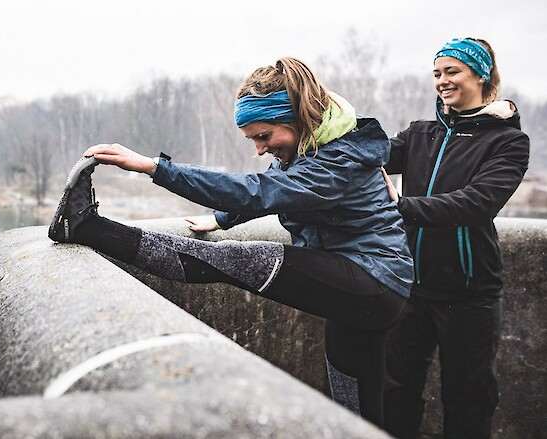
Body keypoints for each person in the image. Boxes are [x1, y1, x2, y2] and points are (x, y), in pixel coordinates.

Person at [49, 56, 413, 429]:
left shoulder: (336, 161)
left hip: (372, 281)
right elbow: (276, 191)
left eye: (263, 136)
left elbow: (258, 192)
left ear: (295, 119)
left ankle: (87, 228)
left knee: (231, 260)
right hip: (368, 289)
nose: (258, 149)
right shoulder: (316, 147)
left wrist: (153, 167)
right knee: (357, 408)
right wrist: (221, 219)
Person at [381, 38, 530, 439]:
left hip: (469, 295)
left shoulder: (508, 142)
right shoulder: (419, 133)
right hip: (409, 286)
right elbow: (369, 158)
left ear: (480, 75)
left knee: (469, 399)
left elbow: (476, 203)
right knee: (394, 391)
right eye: (436, 74)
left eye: (452, 72)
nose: (442, 82)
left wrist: (403, 207)